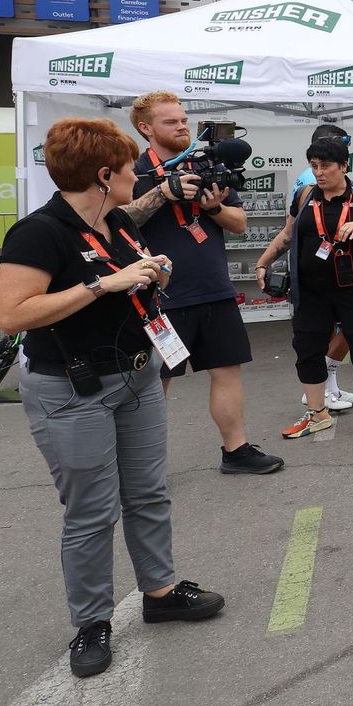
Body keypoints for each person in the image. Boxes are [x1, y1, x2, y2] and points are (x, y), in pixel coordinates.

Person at [0, 118, 226, 678]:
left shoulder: (117, 220)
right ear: (104, 175)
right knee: (91, 512)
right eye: (128, 168)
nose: (136, 175)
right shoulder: (38, 233)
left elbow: (131, 276)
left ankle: (161, 591)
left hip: (137, 374)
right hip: (73, 389)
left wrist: (153, 273)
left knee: (148, 493)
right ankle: (92, 622)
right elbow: (11, 316)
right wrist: (101, 285)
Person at [127, 92, 283, 475]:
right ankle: (144, 468)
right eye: (171, 122)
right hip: (159, 298)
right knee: (155, 383)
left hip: (214, 288)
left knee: (227, 370)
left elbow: (239, 224)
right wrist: (163, 192)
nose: (182, 126)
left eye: (183, 119)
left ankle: (237, 451)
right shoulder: (133, 173)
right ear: (146, 129)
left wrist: (213, 207)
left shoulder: (208, 164)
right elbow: (118, 222)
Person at [257, 138, 353, 438]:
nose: (319, 173)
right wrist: (263, 262)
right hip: (310, 292)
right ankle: (316, 414)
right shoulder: (305, 195)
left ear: (343, 166)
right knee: (307, 349)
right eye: (314, 166)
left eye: (325, 166)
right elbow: (287, 235)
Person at [273, 123, 353, 412]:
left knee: (343, 331)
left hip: (338, 272)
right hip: (319, 274)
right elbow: (294, 228)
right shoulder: (311, 180)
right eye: (343, 141)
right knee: (325, 333)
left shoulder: (330, 175)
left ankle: (332, 389)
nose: (346, 147)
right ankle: (322, 391)